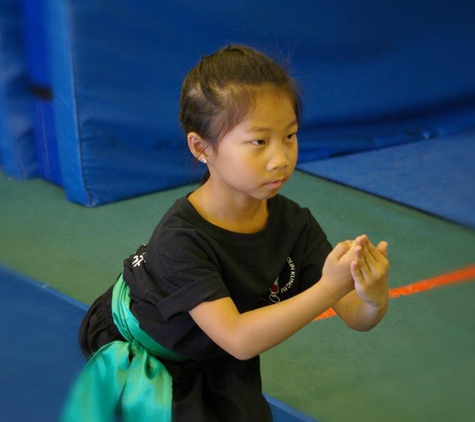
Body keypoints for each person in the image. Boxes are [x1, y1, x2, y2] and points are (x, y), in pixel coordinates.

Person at [62, 44, 389, 422]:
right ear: (202, 147)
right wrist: (330, 287)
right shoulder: (181, 237)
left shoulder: (294, 224)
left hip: (215, 349)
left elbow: (356, 317)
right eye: (259, 142)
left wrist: (372, 295)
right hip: (150, 350)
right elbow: (239, 338)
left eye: (290, 136)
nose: (281, 158)